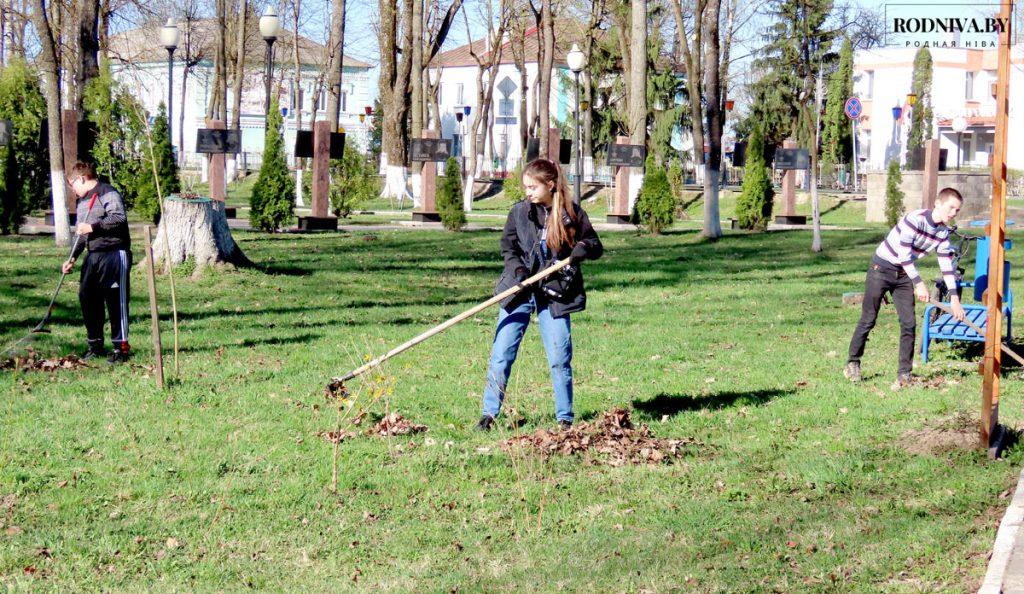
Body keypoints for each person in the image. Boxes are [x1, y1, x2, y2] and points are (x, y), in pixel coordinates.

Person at [476, 158, 603, 430]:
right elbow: (508, 248)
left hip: (555, 292)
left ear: (551, 185)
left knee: (559, 357)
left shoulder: (571, 214)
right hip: (519, 290)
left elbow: (594, 244)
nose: (528, 192)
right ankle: (488, 415)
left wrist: (582, 248)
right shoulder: (519, 212)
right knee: (501, 353)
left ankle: (564, 419)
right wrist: (518, 270)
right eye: (526, 187)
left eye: (533, 187)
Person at [845, 187, 966, 388]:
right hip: (881, 268)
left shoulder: (943, 232)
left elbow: (946, 265)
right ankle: (852, 362)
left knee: (909, 323)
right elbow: (903, 255)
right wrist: (919, 284)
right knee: (868, 319)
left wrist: (954, 299)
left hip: (903, 274)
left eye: (957, 210)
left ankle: (904, 374)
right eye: (951, 207)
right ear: (937, 203)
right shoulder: (914, 219)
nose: (953, 213)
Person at [60, 162, 132, 363]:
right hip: (93, 256)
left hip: (114, 253)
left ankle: (121, 348)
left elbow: (118, 217)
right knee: (87, 297)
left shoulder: (107, 192)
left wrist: (92, 227)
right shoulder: (82, 202)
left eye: (72, 184)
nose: (72, 189)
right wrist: (72, 258)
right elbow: (81, 235)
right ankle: (95, 345)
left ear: (82, 178)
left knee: (116, 301)